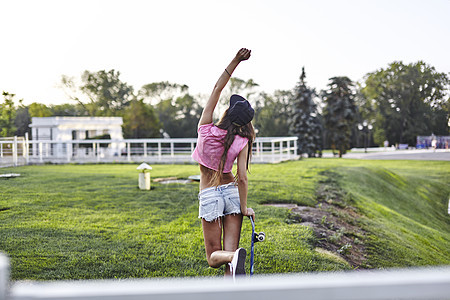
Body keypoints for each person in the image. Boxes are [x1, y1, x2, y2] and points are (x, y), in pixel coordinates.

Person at [192, 48, 256, 279]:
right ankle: (233, 263)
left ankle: (231, 257)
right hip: (231, 194)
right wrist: (244, 206)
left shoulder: (205, 128)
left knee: (214, 258)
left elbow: (217, 88)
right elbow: (243, 177)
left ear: (227, 112)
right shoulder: (243, 140)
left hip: (209, 194)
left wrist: (236, 60)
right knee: (232, 254)